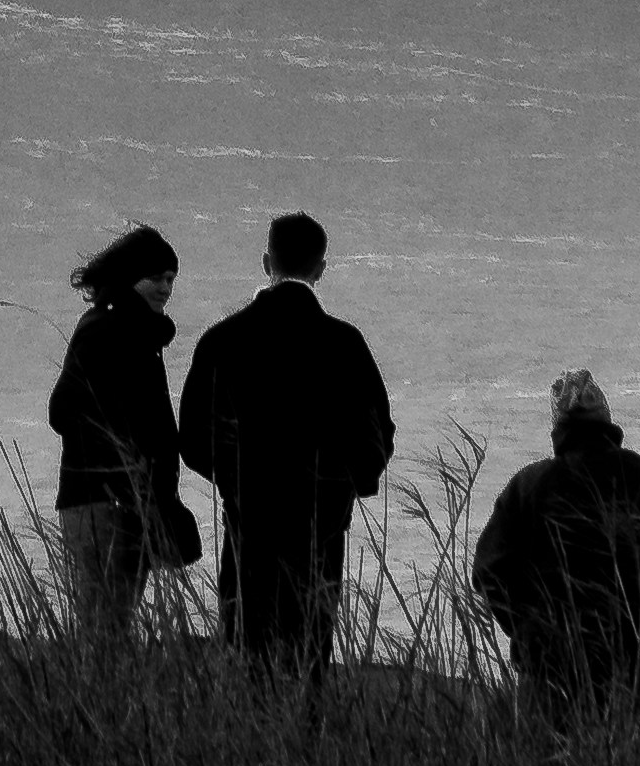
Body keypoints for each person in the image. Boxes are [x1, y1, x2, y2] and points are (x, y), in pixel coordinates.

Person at [174, 213, 396, 666]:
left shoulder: (223, 339)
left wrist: (235, 479)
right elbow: (378, 436)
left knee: (248, 650)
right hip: (322, 528)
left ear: (265, 262)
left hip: (247, 525)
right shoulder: (344, 343)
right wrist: (343, 486)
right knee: (310, 656)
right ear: (321, 269)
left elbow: (194, 437)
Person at [471, 373, 640, 724]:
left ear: (558, 428)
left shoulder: (529, 485)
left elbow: (489, 571)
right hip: (630, 663)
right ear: (607, 418)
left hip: (548, 671)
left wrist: (528, 632)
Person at [46, 225, 195, 644]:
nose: (166, 288)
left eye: (171, 279)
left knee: (113, 625)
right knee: (103, 629)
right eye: (157, 278)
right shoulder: (106, 329)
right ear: (131, 277)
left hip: (130, 502)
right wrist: (123, 465)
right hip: (104, 500)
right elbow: (64, 411)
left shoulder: (139, 334)